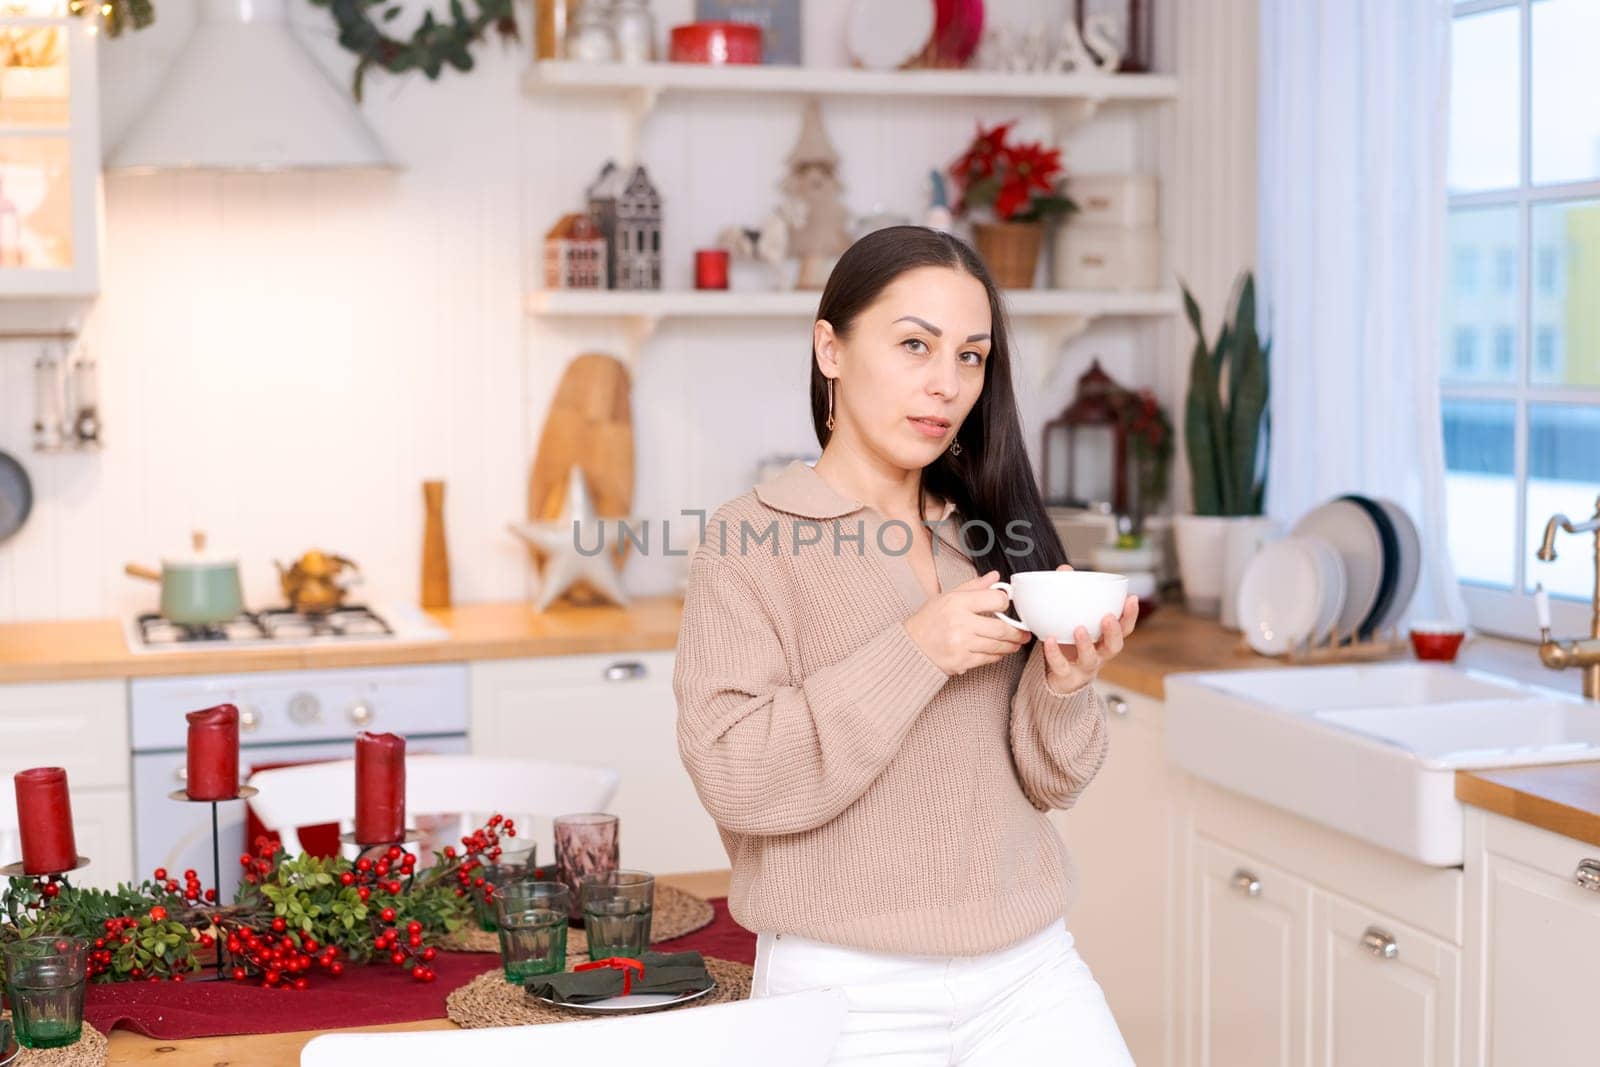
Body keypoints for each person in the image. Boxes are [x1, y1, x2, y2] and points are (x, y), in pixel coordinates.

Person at [672, 225, 1139, 1065]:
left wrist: (1064, 687)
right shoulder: (748, 540)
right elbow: (736, 776)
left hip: (1028, 974)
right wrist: (915, 650)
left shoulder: (991, 531)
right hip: (843, 994)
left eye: (970, 356)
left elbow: (1054, 778)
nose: (945, 383)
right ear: (832, 349)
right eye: (914, 344)